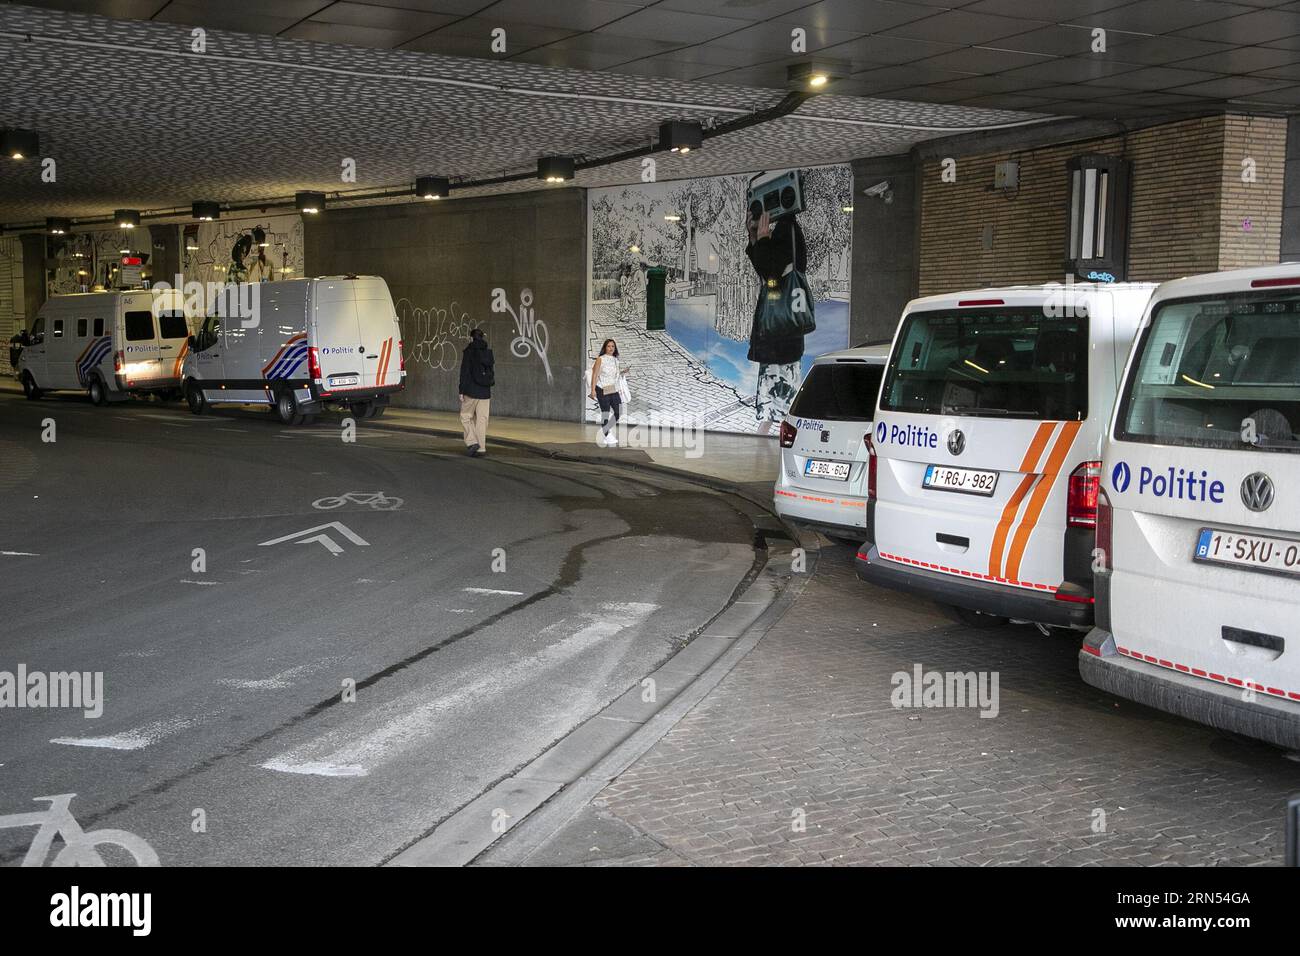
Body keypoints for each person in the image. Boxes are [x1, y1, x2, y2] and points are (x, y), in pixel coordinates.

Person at [745, 208, 808, 435]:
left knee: (780, 389)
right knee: (780, 389)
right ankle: (769, 432)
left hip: (780, 336)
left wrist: (761, 240)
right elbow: (768, 271)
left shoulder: (786, 230)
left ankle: (775, 434)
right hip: (784, 335)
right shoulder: (788, 229)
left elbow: (770, 272)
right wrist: (756, 239)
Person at [458, 327, 494, 457]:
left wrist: (461, 391)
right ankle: (481, 448)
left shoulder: (469, 351)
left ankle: (472, 442)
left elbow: (465, 372)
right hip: (485, 391)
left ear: (471, 338)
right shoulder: (488, 352)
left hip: (471, 391)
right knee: (482, 420)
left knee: (465, 416)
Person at [590, 338, 629, 447]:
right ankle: (607, 434)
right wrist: (593, 390)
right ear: (605, 348)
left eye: (613, 346)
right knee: (605, 413)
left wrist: (622, 373)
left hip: (613, 388)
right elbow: (595, 375)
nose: (611, 348)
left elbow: (614, 375)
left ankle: (606, 431)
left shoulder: (616, 360)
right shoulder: (600, 359)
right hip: (602, 388)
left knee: (618, 411)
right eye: (609, 346)